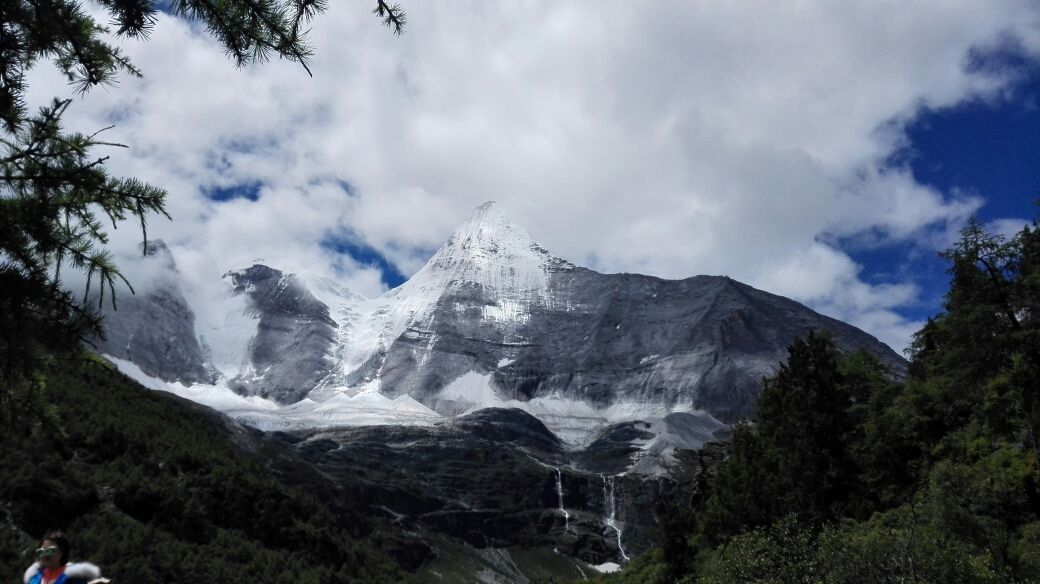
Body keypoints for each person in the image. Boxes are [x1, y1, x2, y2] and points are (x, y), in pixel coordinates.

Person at [22, 532, 108, 584]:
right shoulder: (34, 579)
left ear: (61, 552)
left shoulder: (74, 578)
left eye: (49, 551)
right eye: (41, 552)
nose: (44, 555)